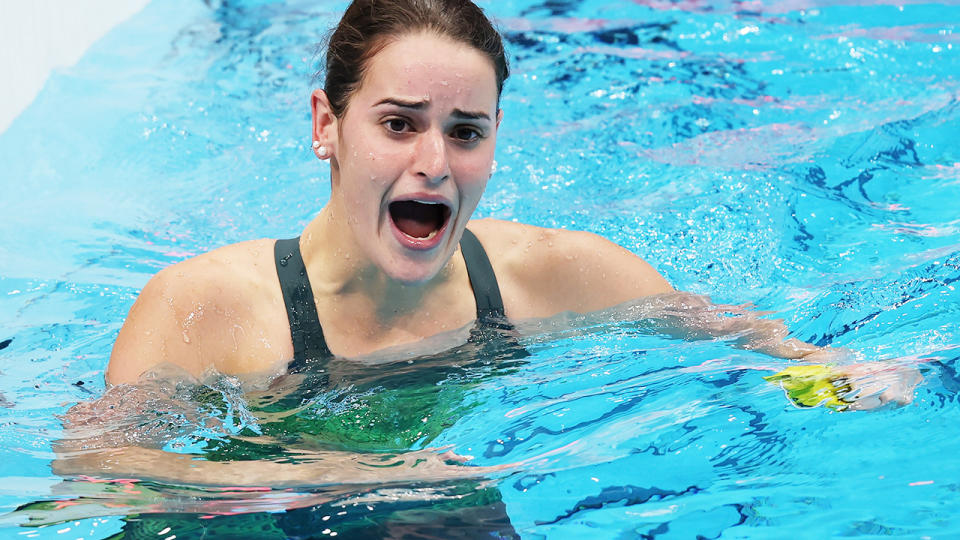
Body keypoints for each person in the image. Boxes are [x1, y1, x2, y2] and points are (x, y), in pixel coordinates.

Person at [50, 0, 918, 531]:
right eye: (398, 123)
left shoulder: (548, 274)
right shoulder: (207, 309)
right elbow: (93, 476)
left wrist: (831, 367)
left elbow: (719, 328)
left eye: (466, 131)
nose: (434, 160)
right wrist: (353, 477)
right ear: (326, 126)